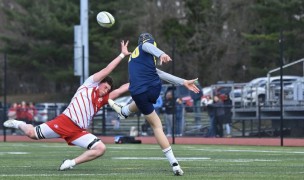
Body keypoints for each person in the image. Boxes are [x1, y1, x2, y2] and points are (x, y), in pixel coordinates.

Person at [3, 40, 131, 170]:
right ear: (99, 83)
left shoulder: (102, 99)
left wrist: (141, 81)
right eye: (105, 87)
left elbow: (121, 90)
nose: (106, 90)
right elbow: (107, 70)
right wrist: (122, 55)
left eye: (108, 90)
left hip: (78, 132)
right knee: (31, 134)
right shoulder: (89, 85)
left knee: (100, 148)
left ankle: (70, 163)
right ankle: (18, 123)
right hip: (65, 122)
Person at [108, 33, 200, 176]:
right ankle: (174, 164)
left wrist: (183, 82)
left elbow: (160, 73)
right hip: (151, 89)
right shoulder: (145, 46)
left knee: (150, 116)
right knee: (157, 125)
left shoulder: (136, 59)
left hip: (137, 93)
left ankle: (125, 111)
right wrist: (161, 53)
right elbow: (146, 45)